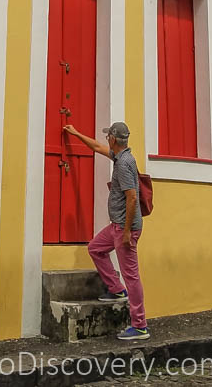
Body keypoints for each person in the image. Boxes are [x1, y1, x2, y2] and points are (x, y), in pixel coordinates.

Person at [63, 121, 149, 340]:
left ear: (113, 138)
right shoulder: (120, 156)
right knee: (96, 248)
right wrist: (75, 132)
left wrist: (127, 232)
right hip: (117, 226)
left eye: (108, 137)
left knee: (132, 276)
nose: (106, 141)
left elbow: (132, 198)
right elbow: (97, 148)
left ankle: (140, 326)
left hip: (124, 228)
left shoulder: (123, 164)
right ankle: (116, 289)